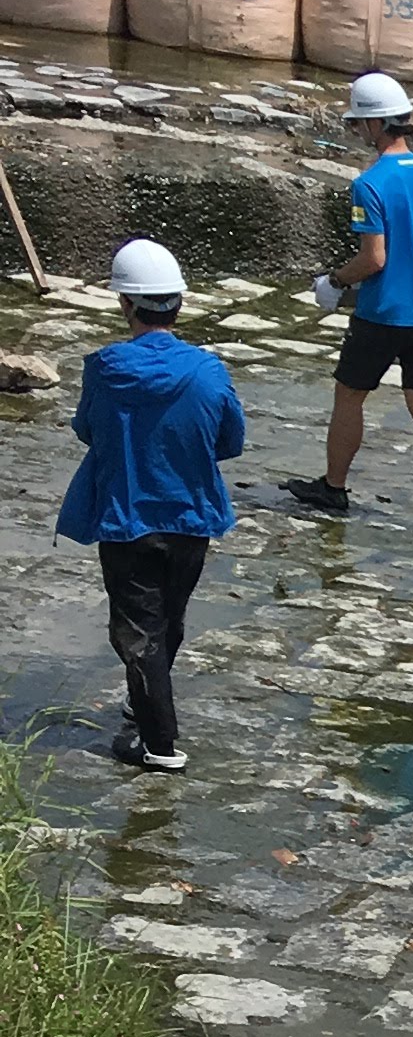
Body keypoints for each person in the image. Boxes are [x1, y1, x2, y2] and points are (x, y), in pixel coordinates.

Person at [59, 239, 242, 775]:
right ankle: (143, 703)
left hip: (126, 516)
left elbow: (85, 429)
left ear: (126, 305)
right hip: (192, 517)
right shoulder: (210, 372)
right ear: (179, 304)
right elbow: (229, 441)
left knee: (137, 631)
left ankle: (160, 747)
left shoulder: (104, 369)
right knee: (169, 618)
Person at [282, 74, 413, 542]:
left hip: (382, 315)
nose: (356, 132)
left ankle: (333, 487)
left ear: (375, 124)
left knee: (349, 395)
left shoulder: (369, 184)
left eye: (358, 124)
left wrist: (333, 280)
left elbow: (374, 258)